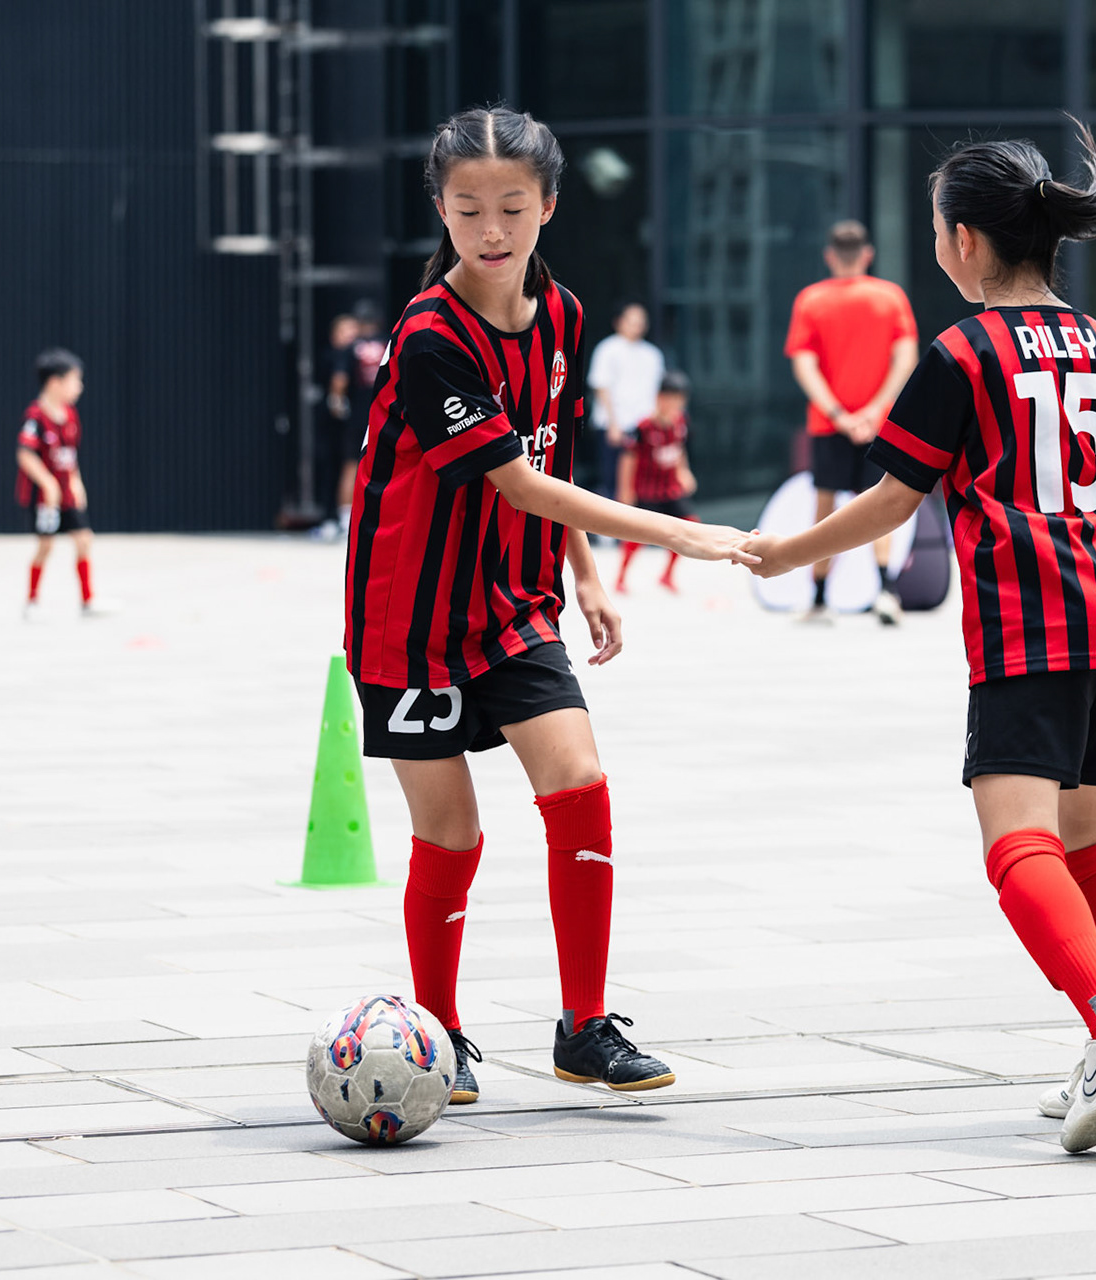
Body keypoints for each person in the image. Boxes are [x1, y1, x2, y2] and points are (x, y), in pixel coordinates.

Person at [741, 120, 1096, 1154]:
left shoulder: (961, 353)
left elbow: (893, 501)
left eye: (938, 229)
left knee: (1017, 844)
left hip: (1029, 627)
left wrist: (788, 552)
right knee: (1093, 846)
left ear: (965, 239)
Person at [345, 107, 757, 1106]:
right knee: (451, 832)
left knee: (579, 780)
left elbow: (553, 452)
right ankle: (438, 1033)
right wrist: (678, 533)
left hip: (513, 601)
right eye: (468, 208)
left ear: (549, 207)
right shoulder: (431, 337)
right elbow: (516, 481)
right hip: (410, 619)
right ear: (440, 210)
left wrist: (586, 573)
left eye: (513, 207)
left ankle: (584, 1025)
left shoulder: (564, 316)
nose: (491, 229)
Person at [785, 220, 919, 625]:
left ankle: (819, 599)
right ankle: (887, 592)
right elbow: (906, 357)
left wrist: (839, 415)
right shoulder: (890, 296)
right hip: (879, 423)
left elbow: (805, 365)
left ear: (830, 256)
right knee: (880, 504)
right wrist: (874, 410)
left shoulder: (811, 299)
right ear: (867, 255)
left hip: (830, 425)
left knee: (825, 508)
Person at [16, 348, 102, 620]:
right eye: (75, 380)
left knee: (84, 539)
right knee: (46, 546)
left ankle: (88, 601)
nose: (80, 387)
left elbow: (70, 456)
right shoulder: (36, 417)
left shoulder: (71, 416)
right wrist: (47, 482)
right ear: (55, 382)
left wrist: (76, 482)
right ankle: (32, 602)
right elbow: (25, 455)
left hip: (67, 495)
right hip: (45, 499)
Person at [614, 370, 697, 594]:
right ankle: (620, 578)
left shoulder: (681, 423)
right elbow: (628, 459)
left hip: (670, 488)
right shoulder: (643, 427)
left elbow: (679, 450)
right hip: (647, 490)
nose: (675, 405)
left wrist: (684, 472)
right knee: (638, 535)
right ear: (659, 398)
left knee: (689, 523)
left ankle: (667, 575)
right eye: (671, 399)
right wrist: (625, 490)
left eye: (679, 400)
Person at [586, 302, 664, 509]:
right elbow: (601, 387)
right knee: (612, 481)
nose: (637, 325)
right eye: (632, 320)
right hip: (615, 426)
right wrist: (613, 424)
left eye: (641, 321)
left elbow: (657, 391)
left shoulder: (652, 354)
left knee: (642, 482)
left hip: (643, 427)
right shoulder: (608, 349)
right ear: (619, 322)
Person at [316, 313, 362, 541]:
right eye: (346, 331)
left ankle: (345, 519)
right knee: (335, 467)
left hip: (353, 421)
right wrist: (338, 404)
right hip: (334, 421)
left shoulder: (359, 357)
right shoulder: (332, 356)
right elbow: (336, 383)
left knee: (351, 465)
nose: (352, 336)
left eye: (354, 331)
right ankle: (333, 519)